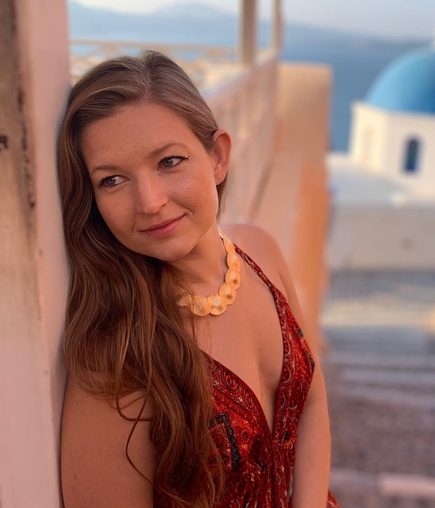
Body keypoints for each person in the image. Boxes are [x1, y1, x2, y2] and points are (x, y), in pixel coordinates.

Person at [58, 51, 339, 508]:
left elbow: (310, 399)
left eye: (169, 161)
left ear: (218, 157)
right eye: (112, 180)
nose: (150, 201)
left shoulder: (260, 251)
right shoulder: (119, 359)